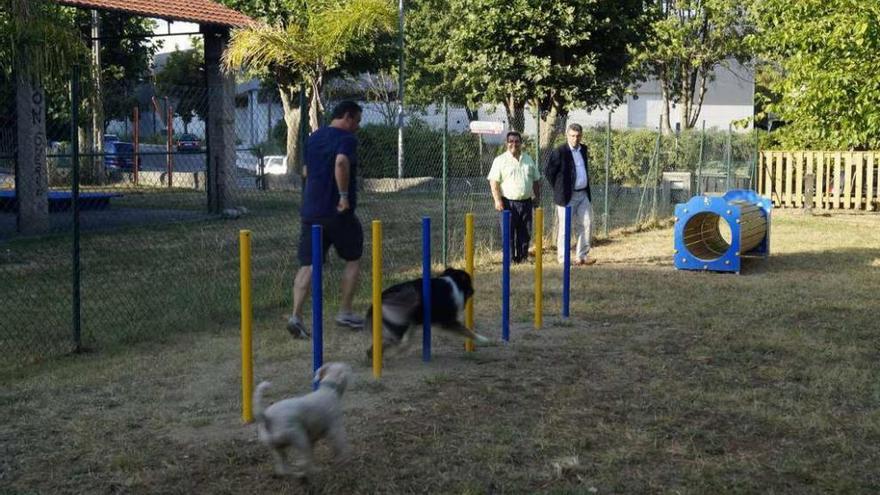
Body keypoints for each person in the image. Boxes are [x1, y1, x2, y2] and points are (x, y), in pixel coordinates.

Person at [287, 101, 365, 339]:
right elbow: (341, 162)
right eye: (357, 121)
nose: (358, 127)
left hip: (312, 211)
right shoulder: (346, 138)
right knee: (353, 258)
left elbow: (306, 171)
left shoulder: (314, 137)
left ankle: (296, 316)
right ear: (348, 117)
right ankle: (345, 311)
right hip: (337, 212)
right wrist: (342, 196)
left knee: (309, 264)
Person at [544, 123, 596, 266]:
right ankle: (563, 258)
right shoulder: (559, 151)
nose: (575, 139)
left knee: (587, 223)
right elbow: (549, 172)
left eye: (578, 136)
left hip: (583, 194)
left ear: (581, 136)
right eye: (572, 136)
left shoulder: (583, 149)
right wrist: (560, 188)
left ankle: (582, 256)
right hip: (566, 196)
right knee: (565, 229)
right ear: (567, 135)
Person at [487, 131, 542, 263]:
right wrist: (497, 200)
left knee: (525, 233)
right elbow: (493, 182)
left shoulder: (528, 159)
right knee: (508, 233)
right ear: (506, 143)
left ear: (521, 143)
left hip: (526, 202)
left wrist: (537, 197)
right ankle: (510, 260)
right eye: (511, 141)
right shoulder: (500, 160)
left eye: (517, 141)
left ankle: (522, 258)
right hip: (507, 203)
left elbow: (536, 180)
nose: (514, 144)